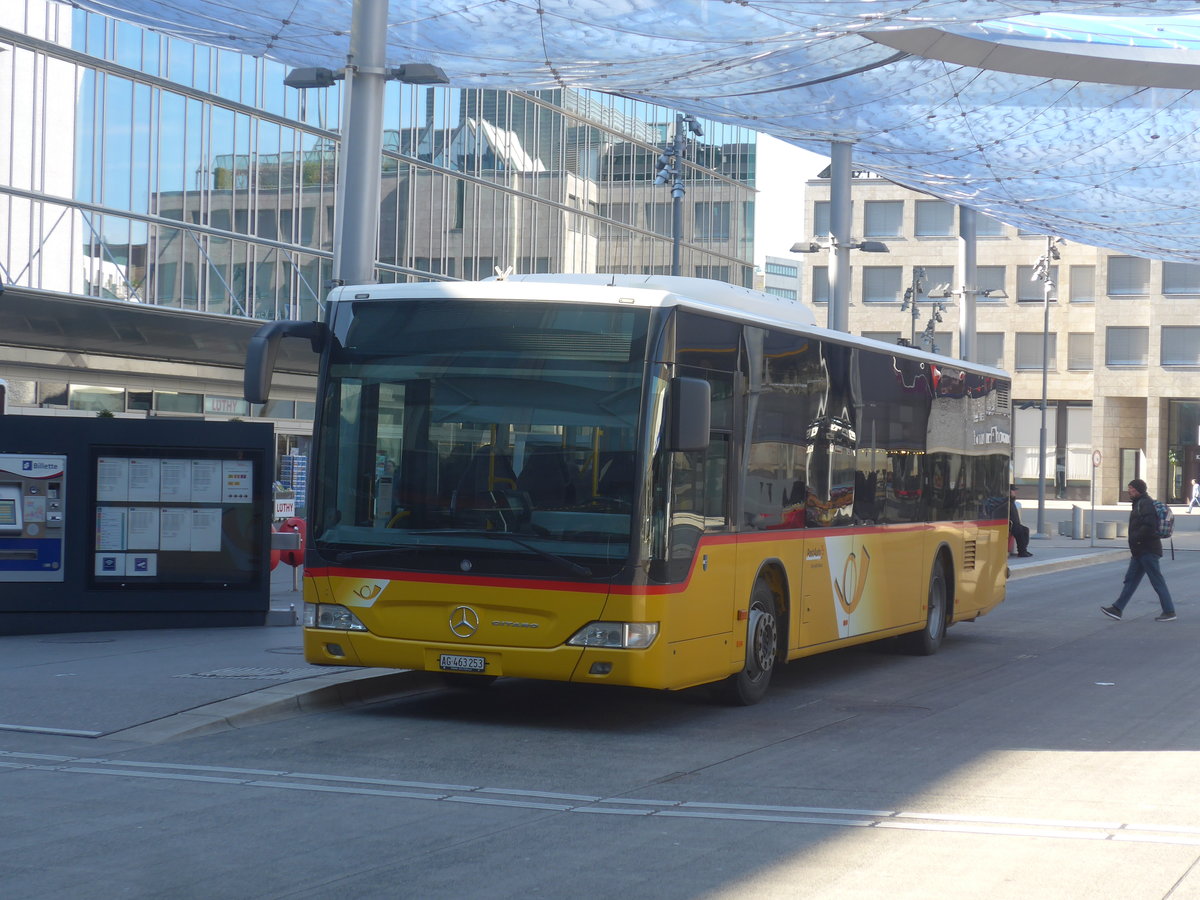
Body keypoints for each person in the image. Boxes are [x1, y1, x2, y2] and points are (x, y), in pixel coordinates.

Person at [1101, 479, 1177, 622]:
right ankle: (1117, 609)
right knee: (1130, 581)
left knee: (1157, 581)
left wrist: (1137, 538)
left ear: (1138, 490)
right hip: (1140, 550)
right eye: (1129, 488)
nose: (1129, 490)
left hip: (1147, 550)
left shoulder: (1145, 503)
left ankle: (1169, 611)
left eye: (1131, 488)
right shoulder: (1139, 503)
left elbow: (1149, 525)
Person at [1008, 484, 1032, 557]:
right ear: (1009, 492)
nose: (1015, 492)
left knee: (1025, 530)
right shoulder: (1007, 501)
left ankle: (1024, 549)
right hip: (1010, 524)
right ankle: (1021, 551)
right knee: (1020, 532)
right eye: (1013, 491)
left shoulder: (1011, 501)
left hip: (1015, 524)